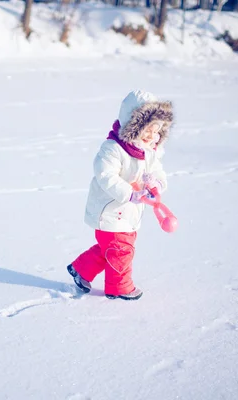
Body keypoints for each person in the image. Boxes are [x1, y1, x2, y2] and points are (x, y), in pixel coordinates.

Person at [67, 90, 173, 300]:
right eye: (147, 130)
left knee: (111, 248)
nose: (152, 136)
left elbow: (157, 170)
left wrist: (156, 183)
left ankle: (81, 270)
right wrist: (131, 193)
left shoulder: (148, 151)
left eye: (157, 131)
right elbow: (106, 176)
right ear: (133, 126)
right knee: (120, 250)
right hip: (109, 210)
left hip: (129, 213)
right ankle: (120, 287)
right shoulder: (113, 149)